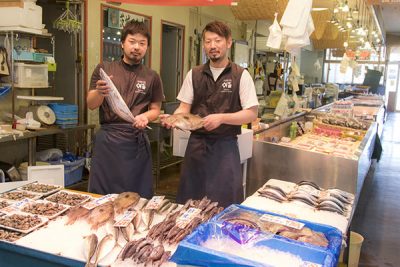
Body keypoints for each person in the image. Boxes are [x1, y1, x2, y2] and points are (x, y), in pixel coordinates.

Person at [161, 21, 259, 207]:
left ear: (228, 42)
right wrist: (174, 119)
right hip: (196, 148)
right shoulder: (194, 74)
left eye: (217, 40)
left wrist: (222, 118)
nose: (212, 46)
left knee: (224, 205)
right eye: (208, 41)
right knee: (191, 204)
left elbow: (251, 113)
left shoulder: (240, 75)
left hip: (225, 148)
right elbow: (184, 108)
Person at [87, 20, 164, 198]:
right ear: (122, 43)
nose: (136, 47)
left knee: (136, 197)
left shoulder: (152, 76)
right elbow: (91, 104)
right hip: (108, 142)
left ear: (147, 47)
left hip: (135, 141)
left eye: (142, 43)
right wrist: (100, 92)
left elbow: (155, 109)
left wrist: (146, 117)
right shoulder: (104, 69)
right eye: (132, 41)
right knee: (103, 197)